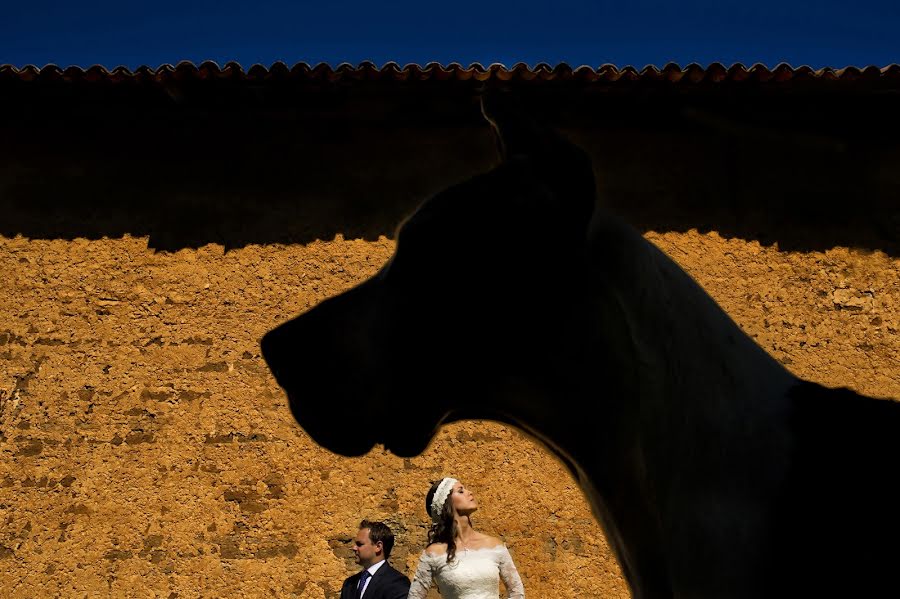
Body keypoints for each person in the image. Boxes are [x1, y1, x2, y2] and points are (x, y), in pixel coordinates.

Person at [407, 478, 525, 599]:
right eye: (461, 491)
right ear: (447, 503)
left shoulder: (494, 545)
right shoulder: (434, 553)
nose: (470, 492)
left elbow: (517, 592)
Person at [340, 520, 411, 599]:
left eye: (360, 544)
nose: (354, 548)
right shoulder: (349, 584)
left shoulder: (397, 583)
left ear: (378, 547)